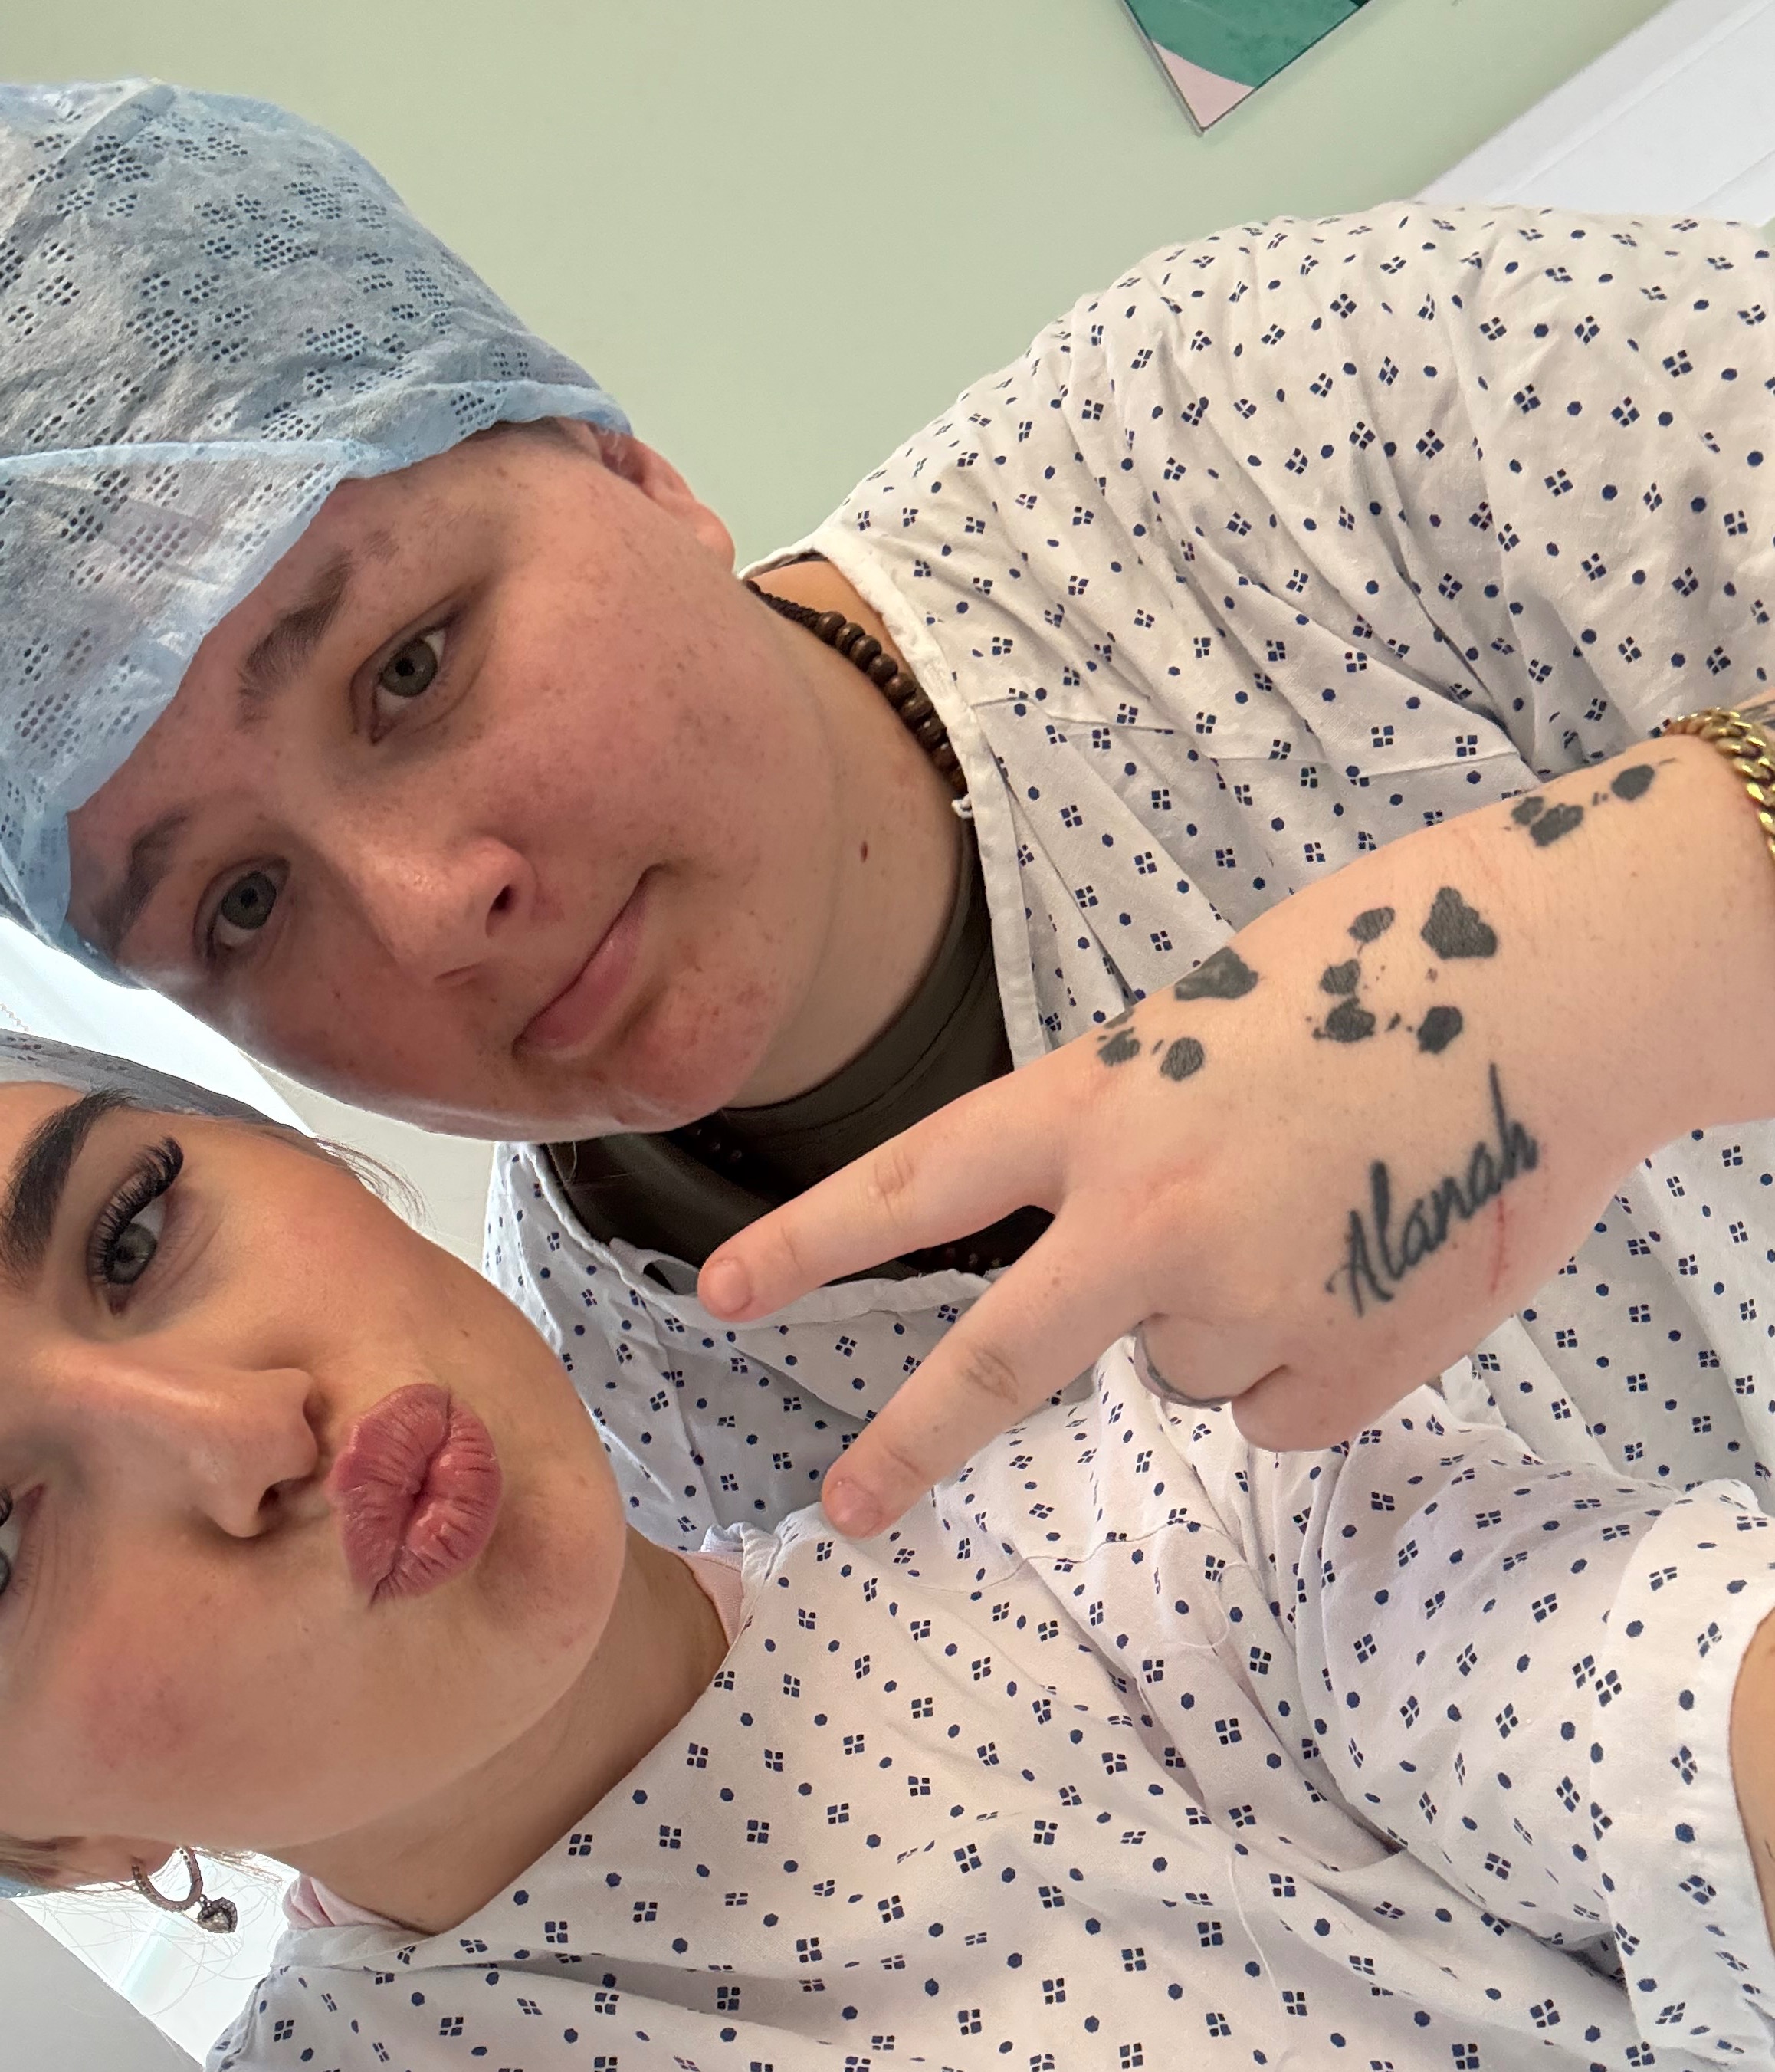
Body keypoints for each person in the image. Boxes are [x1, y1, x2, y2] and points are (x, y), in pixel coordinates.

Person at [8, 80, 1775, 1558]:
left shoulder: (1271, 424)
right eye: (241, 904)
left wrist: (1627, 930)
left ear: (628, 469)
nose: (423, 909)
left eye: (409, 668)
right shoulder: (627, 1460)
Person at [0, 1029, 1773, 2072]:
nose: (248, 1430)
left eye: (134, 1230)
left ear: (315, 1164)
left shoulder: (1161, 1524)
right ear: (50, 1837)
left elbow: (1676, 1699)